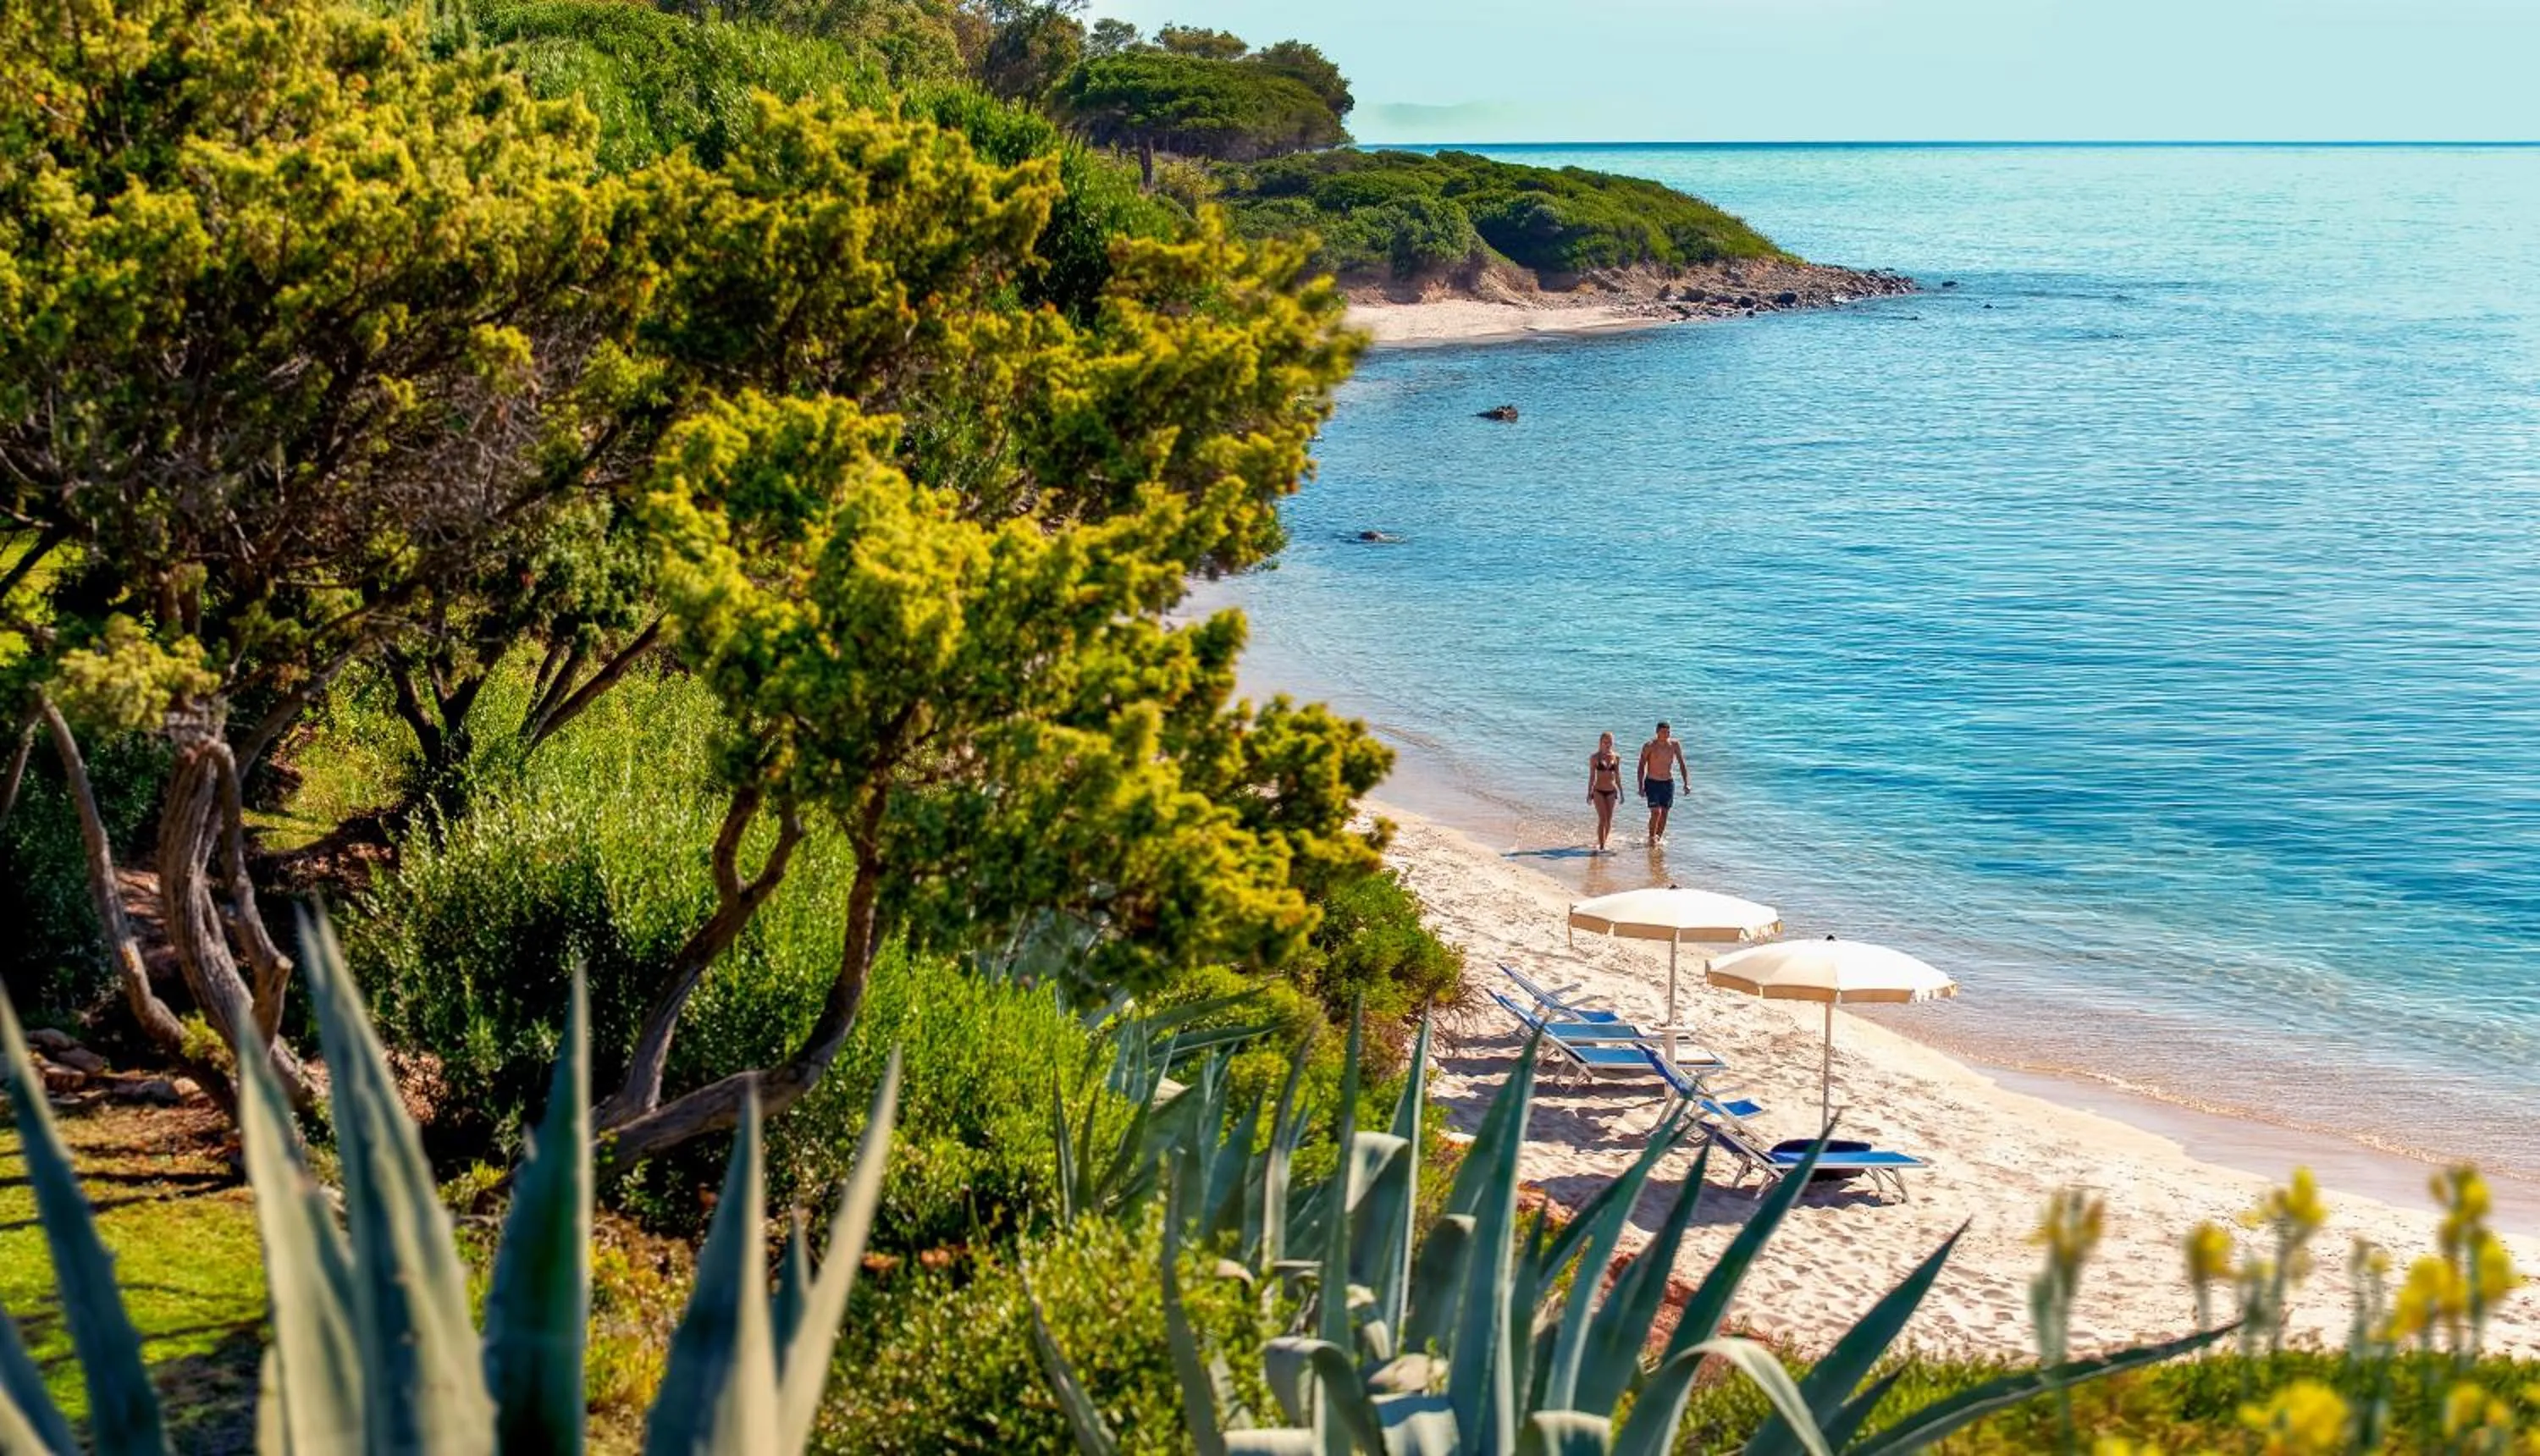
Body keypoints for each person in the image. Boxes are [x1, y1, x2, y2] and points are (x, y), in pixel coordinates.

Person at [1637, 721, 1689, 847]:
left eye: (1668, 732)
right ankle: (1651, 839)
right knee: (1656, 812)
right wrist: (1640, 786)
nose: (1666, 735)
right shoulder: (1649, 746)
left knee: (1665, 813)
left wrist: (1686, 783)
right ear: (1657, 732)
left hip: (1667, 783)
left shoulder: (1674, 745)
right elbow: (1641, 766)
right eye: (1663, 732)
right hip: (1652, 782)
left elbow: (1682, 764)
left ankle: (1658, 838)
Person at [1585, 731, 1623, 852]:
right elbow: (1592, 776)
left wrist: (1621, 792)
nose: (1608, 745)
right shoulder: (1595, 757)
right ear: (1600, 743)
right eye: (1606, 742)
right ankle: (1601, 847)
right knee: (1603, 819)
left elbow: (1617, 776)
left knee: (1609, 820)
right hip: (1598, 791)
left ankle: (1604, 842)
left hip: (1612, 791)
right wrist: (1589, 793)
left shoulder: (1616, 757)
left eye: (1610, 742)